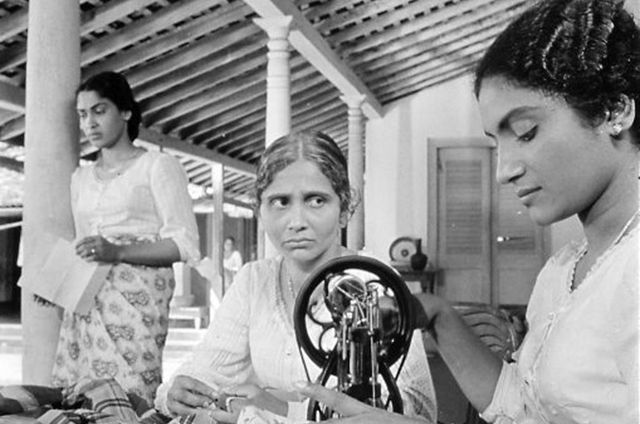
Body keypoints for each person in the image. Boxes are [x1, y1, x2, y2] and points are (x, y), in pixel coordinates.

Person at [300, 0, 640, 423]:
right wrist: (436, 314)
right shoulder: (562, 272)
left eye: (525, 132)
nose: (503, 171)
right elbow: (523, 406)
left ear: (613, 111)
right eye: (497, 142)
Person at [154, 131, 437, 423]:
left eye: (316, 201)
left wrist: (283, 408)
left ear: (343, 209)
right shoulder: (254, 281)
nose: (297, 222)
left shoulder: (374, 281)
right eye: (280, 202)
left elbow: (418, 408)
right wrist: (179, 391)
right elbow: (206, 369)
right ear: (260, 211)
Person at [51, 71, 201, 404]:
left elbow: (184, 244)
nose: (89, 123)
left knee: (131, 394)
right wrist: (58, 285)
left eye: (99, 110)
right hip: (87, 299)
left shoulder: (157, 166)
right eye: (82, 114)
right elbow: (83, 243)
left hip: (136, 301)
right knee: (82, 399)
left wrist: (117, 252)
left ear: (126, 112)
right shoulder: (81, 178)